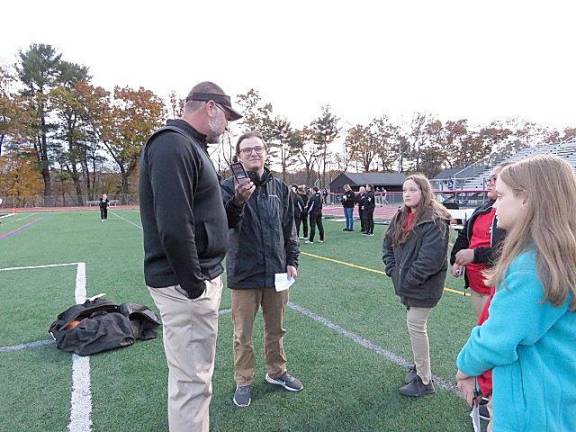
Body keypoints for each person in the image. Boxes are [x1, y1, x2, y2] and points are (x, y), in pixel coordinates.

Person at [139, 81, 242, 432]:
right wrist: (194, 285)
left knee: (195, 380)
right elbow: (173, 225)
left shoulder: (189, 146)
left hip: (196, 279)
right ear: (210, 108)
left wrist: (237, 204)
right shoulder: (172, 144)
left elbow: (201, 219)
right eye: (226, 116)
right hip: (186, 286)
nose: (227, 125)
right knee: (192, 384)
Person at [456, 155, 576, 432]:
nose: (495, 204)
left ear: (527, 199)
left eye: (501, 196)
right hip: (557, 401)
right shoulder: (559, 258)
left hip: (530, 410)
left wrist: (464, 368)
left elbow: (496, 338)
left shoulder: (532, 266)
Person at [221, 132, 302, 408]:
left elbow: (289, 228)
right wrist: (237, 201)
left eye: (258, 149)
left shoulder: (280, 189)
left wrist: (292, 260)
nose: (254, 154)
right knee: (242, 333)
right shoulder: (226, 187)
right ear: (238, 156)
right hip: (244, 273)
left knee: (276, 329)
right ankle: (243, 380)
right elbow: (224, 223)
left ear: (266, 153)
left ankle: (277, 372)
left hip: (277, 272)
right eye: (247, 150)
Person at [383, 174, 451, 397]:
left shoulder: (435, 220)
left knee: (416, 326)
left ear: (424, 191)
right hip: (406, 284)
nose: (407, 194)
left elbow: (429, 262)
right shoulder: (402, 215)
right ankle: (419, 368)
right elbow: (387, 243)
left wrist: (404, 281)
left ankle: (424, 380)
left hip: (424, 288)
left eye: (412, 190)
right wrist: (393, 271)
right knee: (415, 327)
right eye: (404, 190)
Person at [450, 164, 508, 318]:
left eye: (495, 178)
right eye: (489, 178)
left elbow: (507, 250)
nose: (489, 182)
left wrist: (475, 255)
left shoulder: (512, 214)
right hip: (475, 282)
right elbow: (464, 236)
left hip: (496, 285)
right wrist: (456, 260)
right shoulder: (481, 210)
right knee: (480, 325)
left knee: (491, 333)